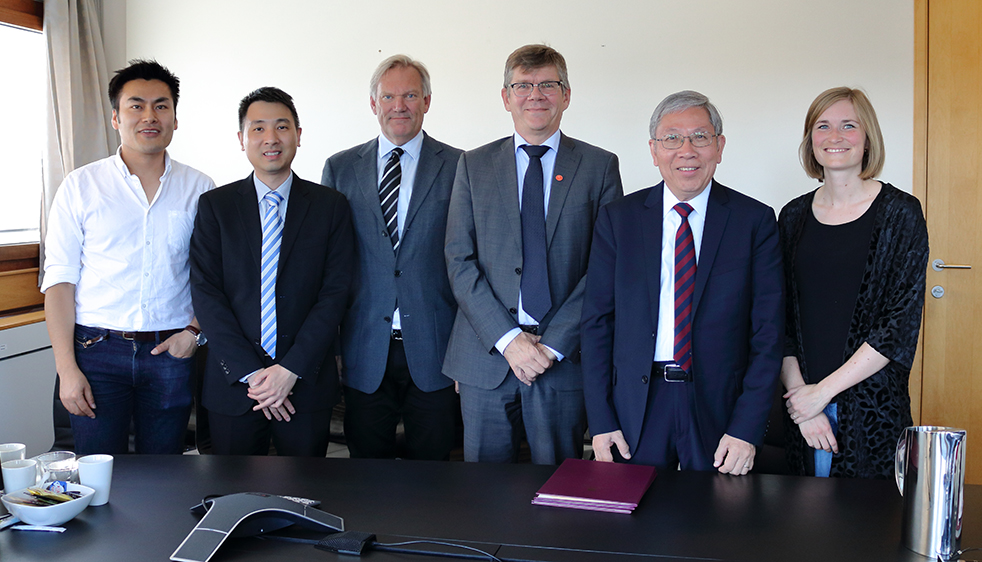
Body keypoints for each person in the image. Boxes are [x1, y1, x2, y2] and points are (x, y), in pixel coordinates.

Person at [581, 90, 784, 474]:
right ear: (654, 151)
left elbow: (768, 334)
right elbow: (596, 325)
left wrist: (746, 427)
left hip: (720, 409)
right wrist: (601, 420)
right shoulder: (618, 220)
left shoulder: (754, 221)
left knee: (718, 511)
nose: (686, 150)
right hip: (636, 406)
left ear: (719, 147)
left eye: (700, 137)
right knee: (634, 510)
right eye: (672, 138)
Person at [443, 44, 623, 464]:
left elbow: (606, 267)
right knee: (483, 492)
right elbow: (458, 260)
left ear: (566, 94)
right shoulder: (473, 165)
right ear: (506, 97)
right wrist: (509, 341)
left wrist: (551, 346)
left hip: (562, 360)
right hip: (487, 357)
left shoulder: (599, 167)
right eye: (523, 85)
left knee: (558, 487)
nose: (535, 95)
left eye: (547, 84)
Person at [41, 59, 214, 456]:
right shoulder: (80, 186)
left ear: (175, 118)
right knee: (96, 472)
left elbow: (213, 275)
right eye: (136, 105)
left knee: (164, 473)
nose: (149, 116)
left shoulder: (200, 188)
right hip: (95, 351)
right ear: (116, 118)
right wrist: (66, 369)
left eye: (161, 106)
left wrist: (193, 332)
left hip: (170, 351)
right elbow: (60, 282)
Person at [190, 87, 353, 456]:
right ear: (242, 139)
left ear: (298, 134)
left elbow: (335, 293)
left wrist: (289, 370)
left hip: (305, 384)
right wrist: (255, 376)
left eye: (281, 127)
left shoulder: (330, 206)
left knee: (306, 488)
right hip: (234, 384)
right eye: (258, 128)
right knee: (231, 487)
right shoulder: (216, 206)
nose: (271, 138)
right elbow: (206, 293)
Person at [779, 87, 928, 478]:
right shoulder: (792, 217)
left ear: (867, 138)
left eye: (849, 125)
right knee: (802, 514)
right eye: (823, 126)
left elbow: (898, 326)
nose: (835, 136)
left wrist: (823, 393)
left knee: (868, 514)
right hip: (802, 408)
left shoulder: (901, 214)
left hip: (872, 406)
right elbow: (779, 320)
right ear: (810, 140)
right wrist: (802, 402)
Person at [321, 55, 462, 460]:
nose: (399, 106)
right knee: (366, 476)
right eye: (388, 97)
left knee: (434, 477)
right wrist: (333, 349)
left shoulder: (460, 166)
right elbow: (329, 266)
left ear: (427, 101)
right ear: (373, 103)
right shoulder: (340, 168)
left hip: (437, 351)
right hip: (364, 349)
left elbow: (470, 259)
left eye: (410, 96)